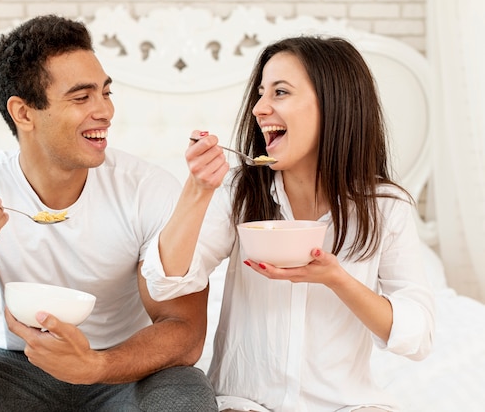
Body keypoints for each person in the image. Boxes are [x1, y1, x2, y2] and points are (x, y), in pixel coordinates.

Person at [0, 15, 217, 412]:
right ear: (24, 113)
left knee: (186, 395)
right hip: (18, 367)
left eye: (105, 92)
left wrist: (96, 365)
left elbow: (184, 330)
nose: (105, 111)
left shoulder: (148, 189)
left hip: (124, 368)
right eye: (82, 98)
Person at [141, 36, 435, 411]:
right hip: (244, 404)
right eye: (261, 93)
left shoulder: (384, 207)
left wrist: (336, 278)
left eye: (280, 92)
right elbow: (165, 281)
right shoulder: (240, 191)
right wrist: (197, 190)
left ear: (334, 104)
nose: (259, 108)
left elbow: (419, 335)